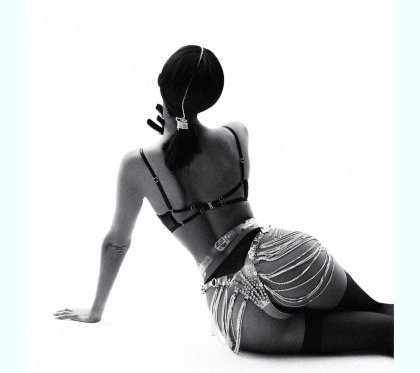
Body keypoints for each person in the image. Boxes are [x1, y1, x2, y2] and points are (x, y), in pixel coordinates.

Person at [53, 45, 394, 356]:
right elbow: (194, 149)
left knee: (385, 334)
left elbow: (116, 244)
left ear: (161, 82)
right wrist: (176, 133)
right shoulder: (236, 134)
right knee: (383, 314)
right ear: (212, 96)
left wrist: (95, 311)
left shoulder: (138, 165)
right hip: (287, 257)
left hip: (235, 304)